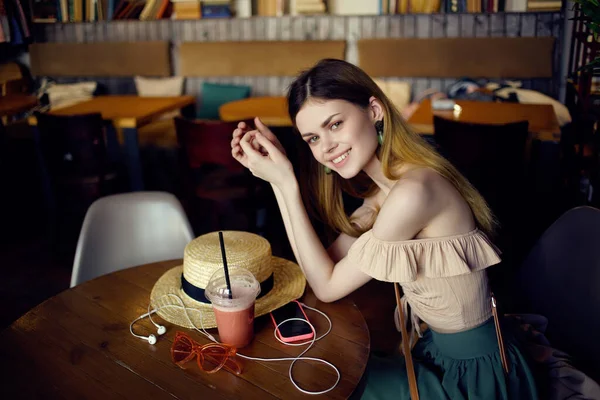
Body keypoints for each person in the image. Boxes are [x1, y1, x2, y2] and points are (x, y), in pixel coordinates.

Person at [230, 58, 538, 399]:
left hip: (474, 378)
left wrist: (285, 185)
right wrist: (280, 178)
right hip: (435, 352)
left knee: (316, 385)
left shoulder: (411, 194)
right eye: (313, 138)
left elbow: (328, 285)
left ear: (374, 110)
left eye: (335, 125)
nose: (326, 148)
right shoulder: (383, 193)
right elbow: (320, 269)